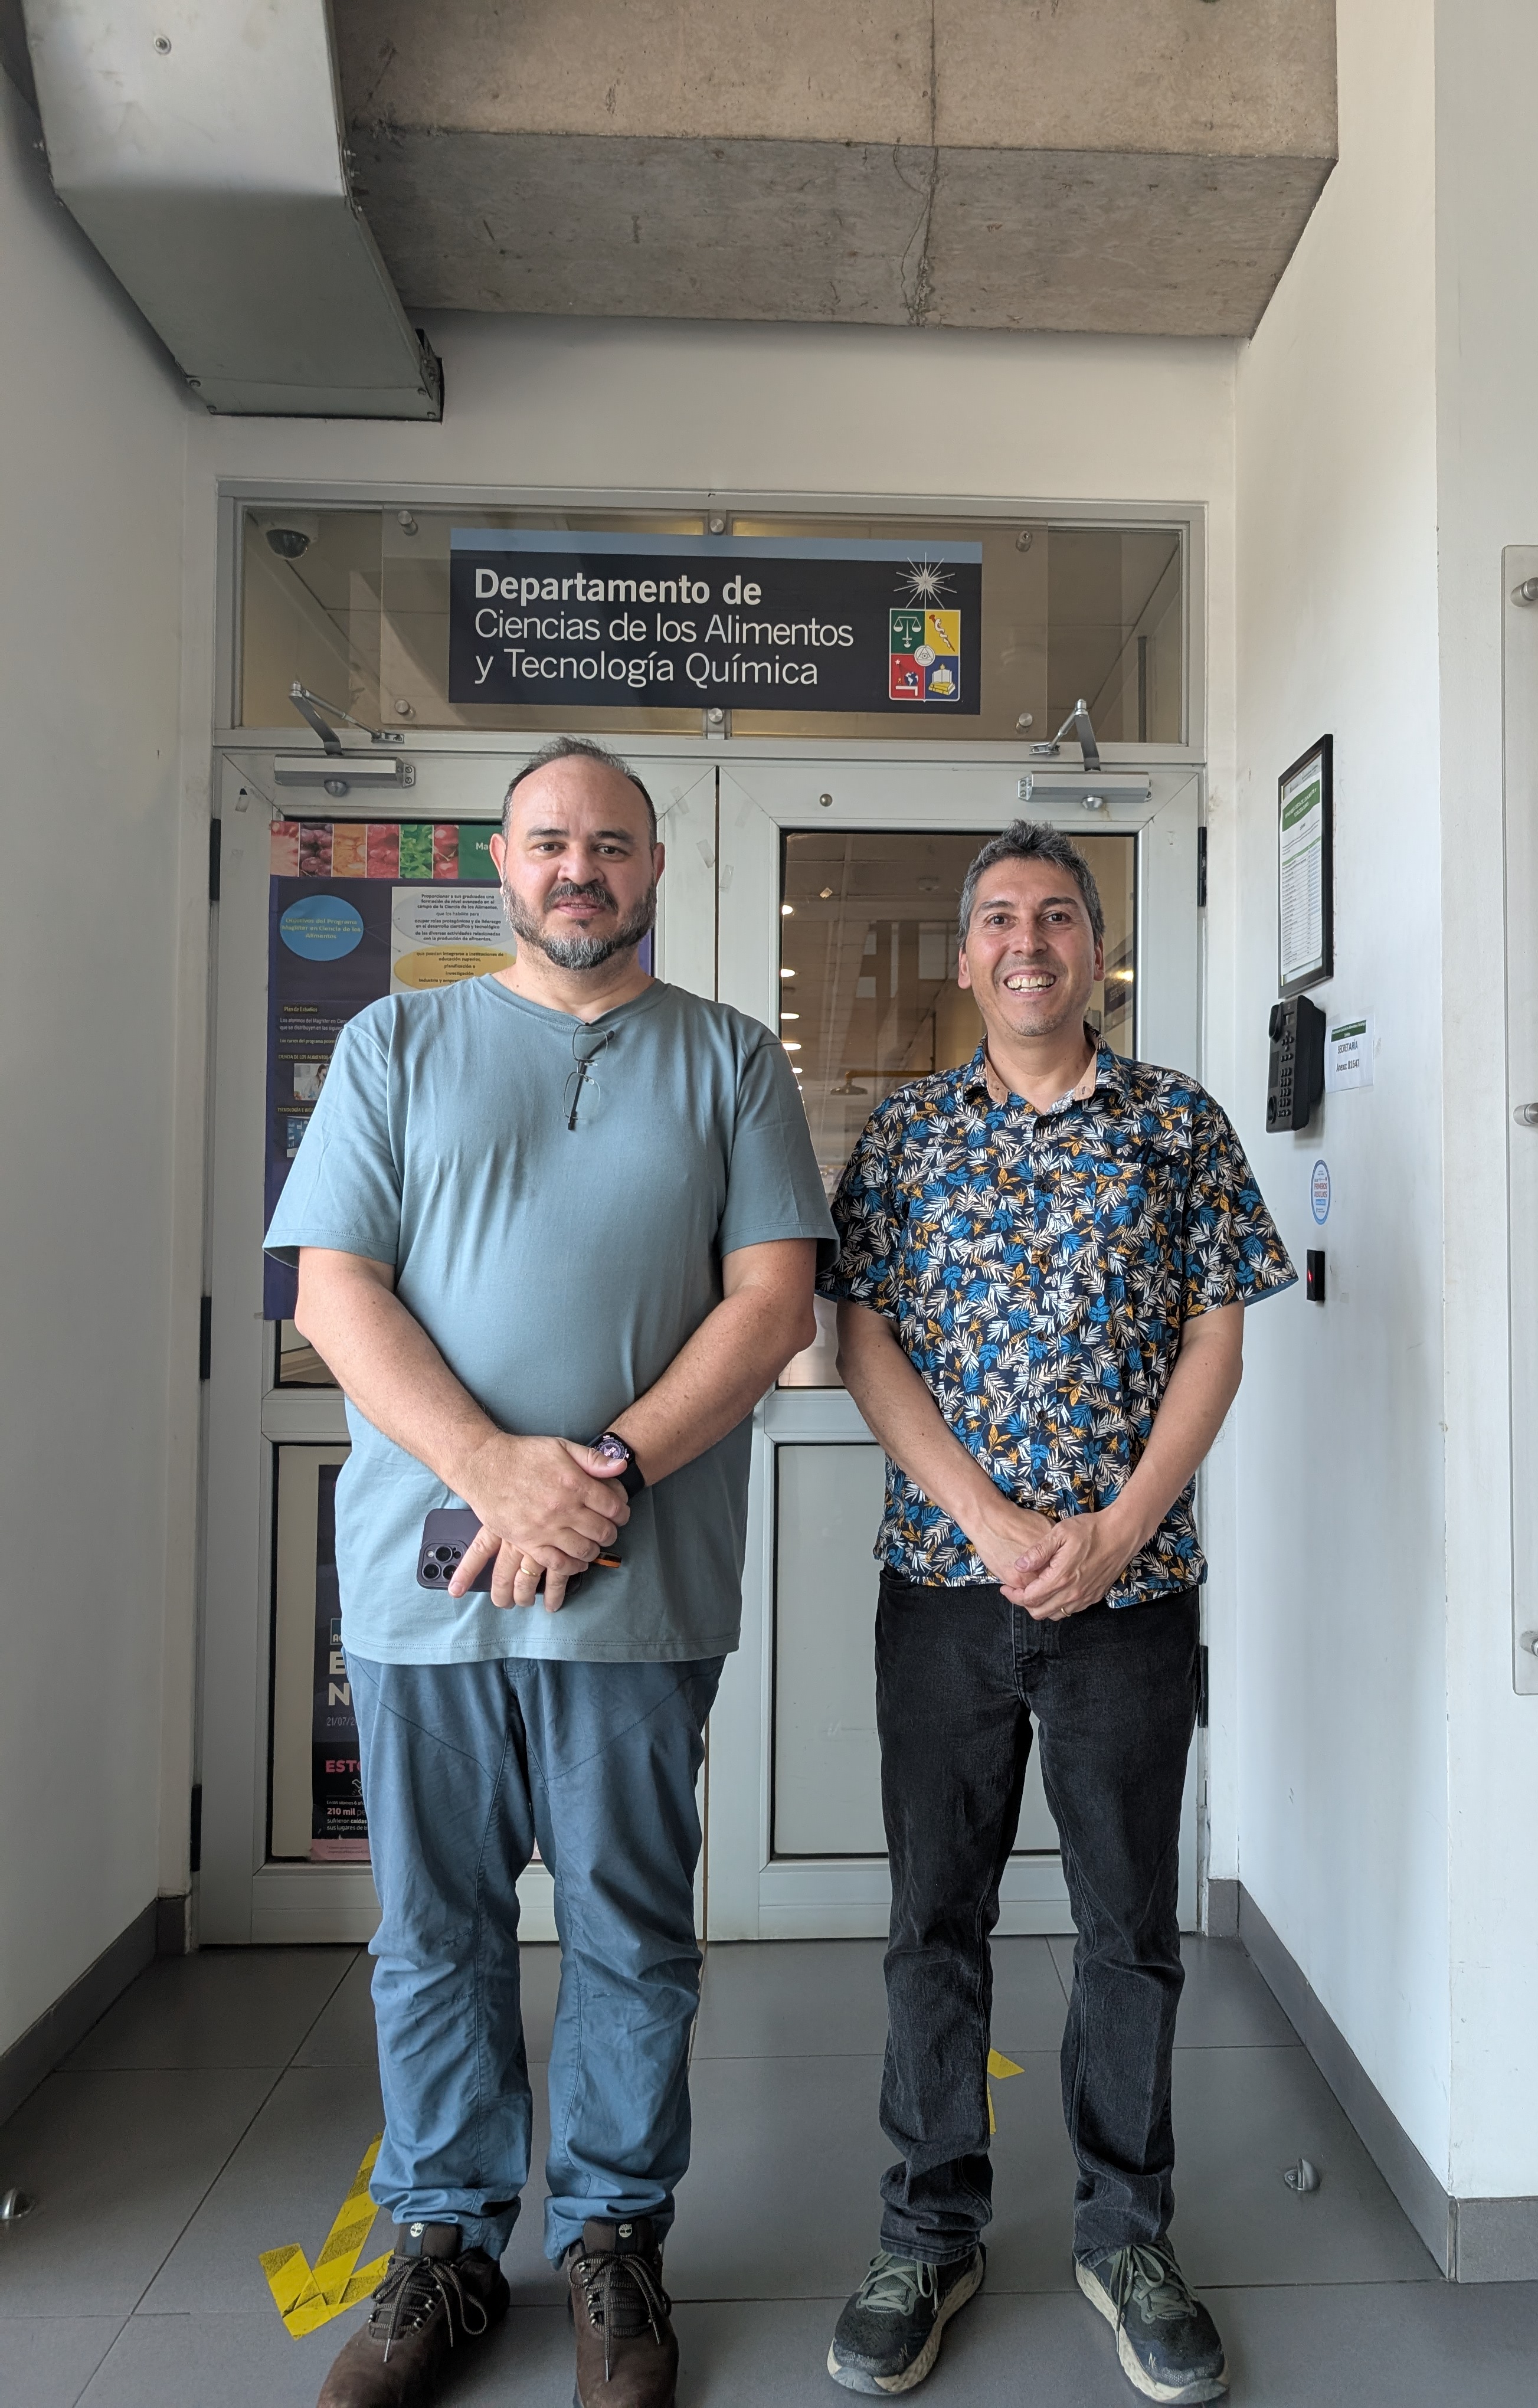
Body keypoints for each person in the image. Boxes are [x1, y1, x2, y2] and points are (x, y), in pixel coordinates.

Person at [266, 737, 833, 2408]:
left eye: (610, 843)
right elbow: (333, 1289)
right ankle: (443, 2244)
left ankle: (611, 2239)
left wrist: (606, 1472)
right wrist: (497, 1471)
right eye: (546, 841)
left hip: (638, 1585)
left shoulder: (732, 1061)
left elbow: (771, 1305)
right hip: (425, 1583)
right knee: (433, 1929)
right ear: (502, 865)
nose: (578, 867)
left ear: (653, 867)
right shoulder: (395, 1044)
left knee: (632, 1930)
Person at [821, 821, 1294, 2404]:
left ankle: (1126, 2234)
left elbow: (1219, 1332)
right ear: (967, 955)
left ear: (1098, 950)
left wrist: (1121, 1527)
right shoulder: (906, 1137)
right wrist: (989, 1516)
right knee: (933, 1922)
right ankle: (926, 2232)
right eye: (1001, 918)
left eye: (1058, 916)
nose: (1029, 941)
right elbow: (865, 1339)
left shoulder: (1179, 1125)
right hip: (943, 1590)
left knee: (1129, 1929)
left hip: (1131, 1596)